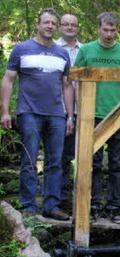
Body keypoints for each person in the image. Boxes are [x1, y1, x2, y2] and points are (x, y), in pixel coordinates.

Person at [1, 8, 74, 220]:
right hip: (29, 112)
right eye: (46, 22)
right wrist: (5, 111)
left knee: (55, 161)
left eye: (53, 23)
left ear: (57, 26)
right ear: (38, 24)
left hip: (57, 115)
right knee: (29, 159)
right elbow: (8, 80)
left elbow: (67, 86)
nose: (49, 26)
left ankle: (51, 205)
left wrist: (70, 115)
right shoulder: (21, 49)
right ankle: (28, 206)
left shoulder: (62, 53)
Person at [74, 11, 120, 224]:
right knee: (92, 163)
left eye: (113, 30)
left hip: (118, 115)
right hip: (92, 115)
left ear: (116, 30)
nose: (109, 34)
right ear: (98, 28)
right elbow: (76, 80)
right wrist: (78, 111)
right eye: (105, 29)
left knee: (117, 164)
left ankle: (114, 208)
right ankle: (91, 207)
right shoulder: (86, 50)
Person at [55, 12, 83, 211]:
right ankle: (61, 198)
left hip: (85, 110)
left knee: (83, 155)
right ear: (59, 27)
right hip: (59, 110)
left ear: (77, 28)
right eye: (66, 24)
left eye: (73, 24)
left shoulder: (86, 50)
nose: (70, 27)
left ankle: (82, 199)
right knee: (61, 156)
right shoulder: (53, 49)